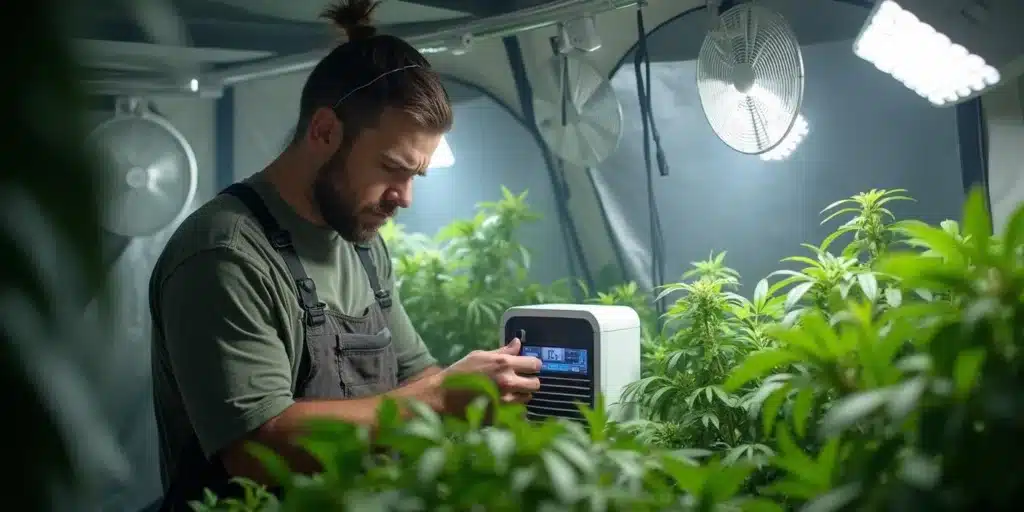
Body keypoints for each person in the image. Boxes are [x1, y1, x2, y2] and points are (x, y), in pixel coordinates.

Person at [148, 1, 542, 509]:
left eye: (414, 176)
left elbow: (413, 374)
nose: (405, 197)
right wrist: (441, 395)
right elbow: (255, 449)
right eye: (392, 168)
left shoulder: (361, 245)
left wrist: (479, 391)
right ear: (324, 131)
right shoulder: (225, 255)